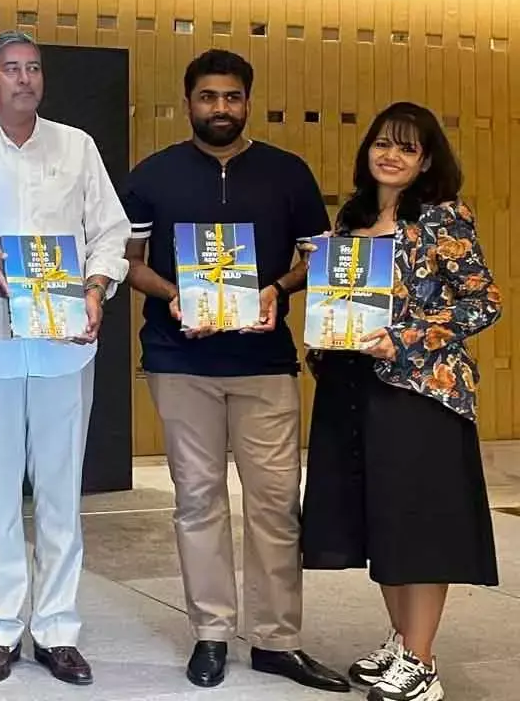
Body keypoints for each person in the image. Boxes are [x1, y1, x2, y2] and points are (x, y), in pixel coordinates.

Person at [120, 47, 348, 693]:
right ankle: (211, 633)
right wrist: (173, 295)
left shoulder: (288, 173)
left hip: (266, 363)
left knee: (276, 505)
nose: (220, 108)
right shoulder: (152, 175)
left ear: (247, 101)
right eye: (207, 97)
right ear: (188, 101)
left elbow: (316, 257)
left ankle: (278, 641)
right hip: (179, 359)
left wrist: (278, 286)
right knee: (197, 501)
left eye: (232, 97)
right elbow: (128, 260)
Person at [0, 30, 130, 687]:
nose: (24, 79)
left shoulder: (77, 147)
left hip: (64, 347)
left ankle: (58, 629)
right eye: (11, 69)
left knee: (61, 495)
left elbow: (110, 232)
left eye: (34, 68)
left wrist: (97, 288)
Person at [301, 102, 501, 701]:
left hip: (418, 394)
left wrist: (404, 338)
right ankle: (400, 639)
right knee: (377, 520)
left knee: (417, 525)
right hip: (350, 389)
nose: (390, 155)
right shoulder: (354, 216)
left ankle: (421, 661)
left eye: (407, 148)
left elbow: (481, 303)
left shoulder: (443, 219)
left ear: (427, 160)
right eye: (382, 144)